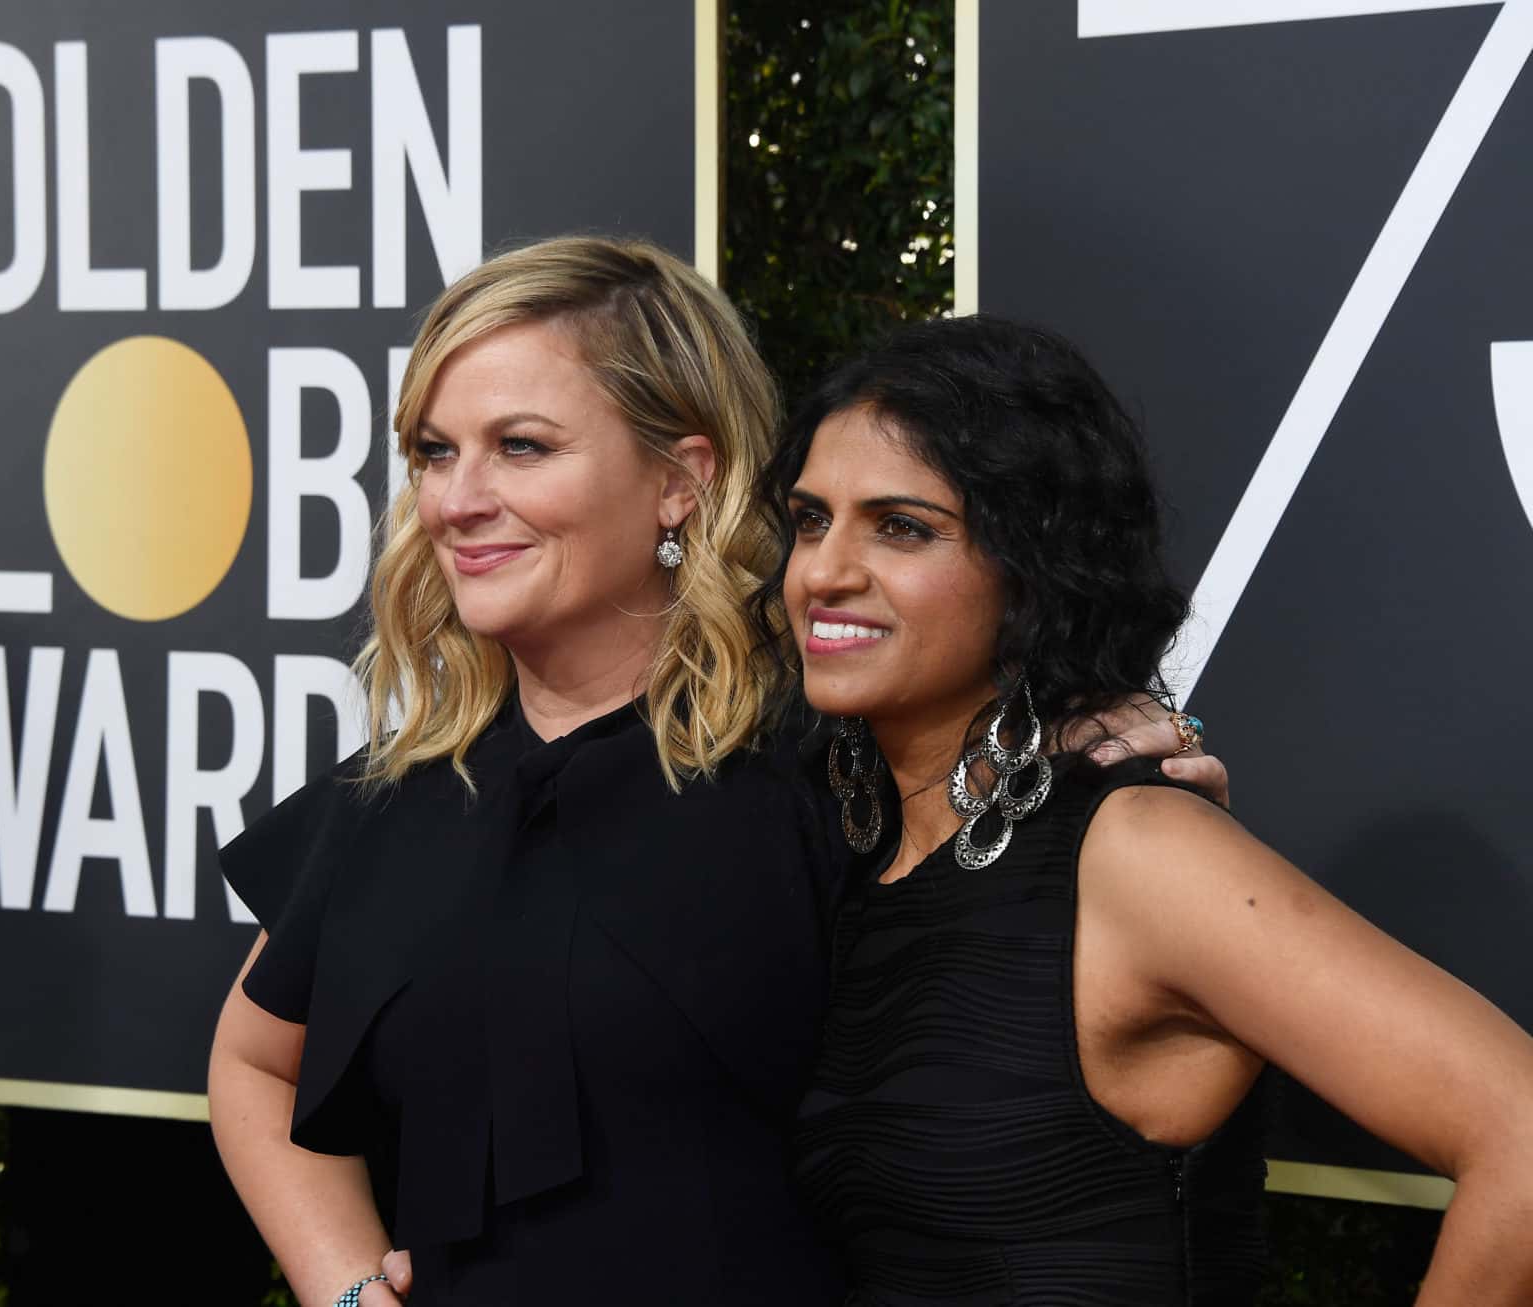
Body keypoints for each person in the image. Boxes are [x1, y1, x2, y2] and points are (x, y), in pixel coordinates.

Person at [206, 239, 1221, 1307]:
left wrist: (1088, 735)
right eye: (433, 450)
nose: (456, 499)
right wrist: (348, 1288)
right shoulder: (400, 789)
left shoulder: (832, 759)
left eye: (520, 445)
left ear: (681, 479)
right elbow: (254, 1063)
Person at [770, 316, 1533, 1305]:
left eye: (902, 525)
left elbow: (1519, 1129)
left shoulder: (1136, 849)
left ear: (1031, 565)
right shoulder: (854, 857)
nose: (824, 570)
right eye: (809, 518)